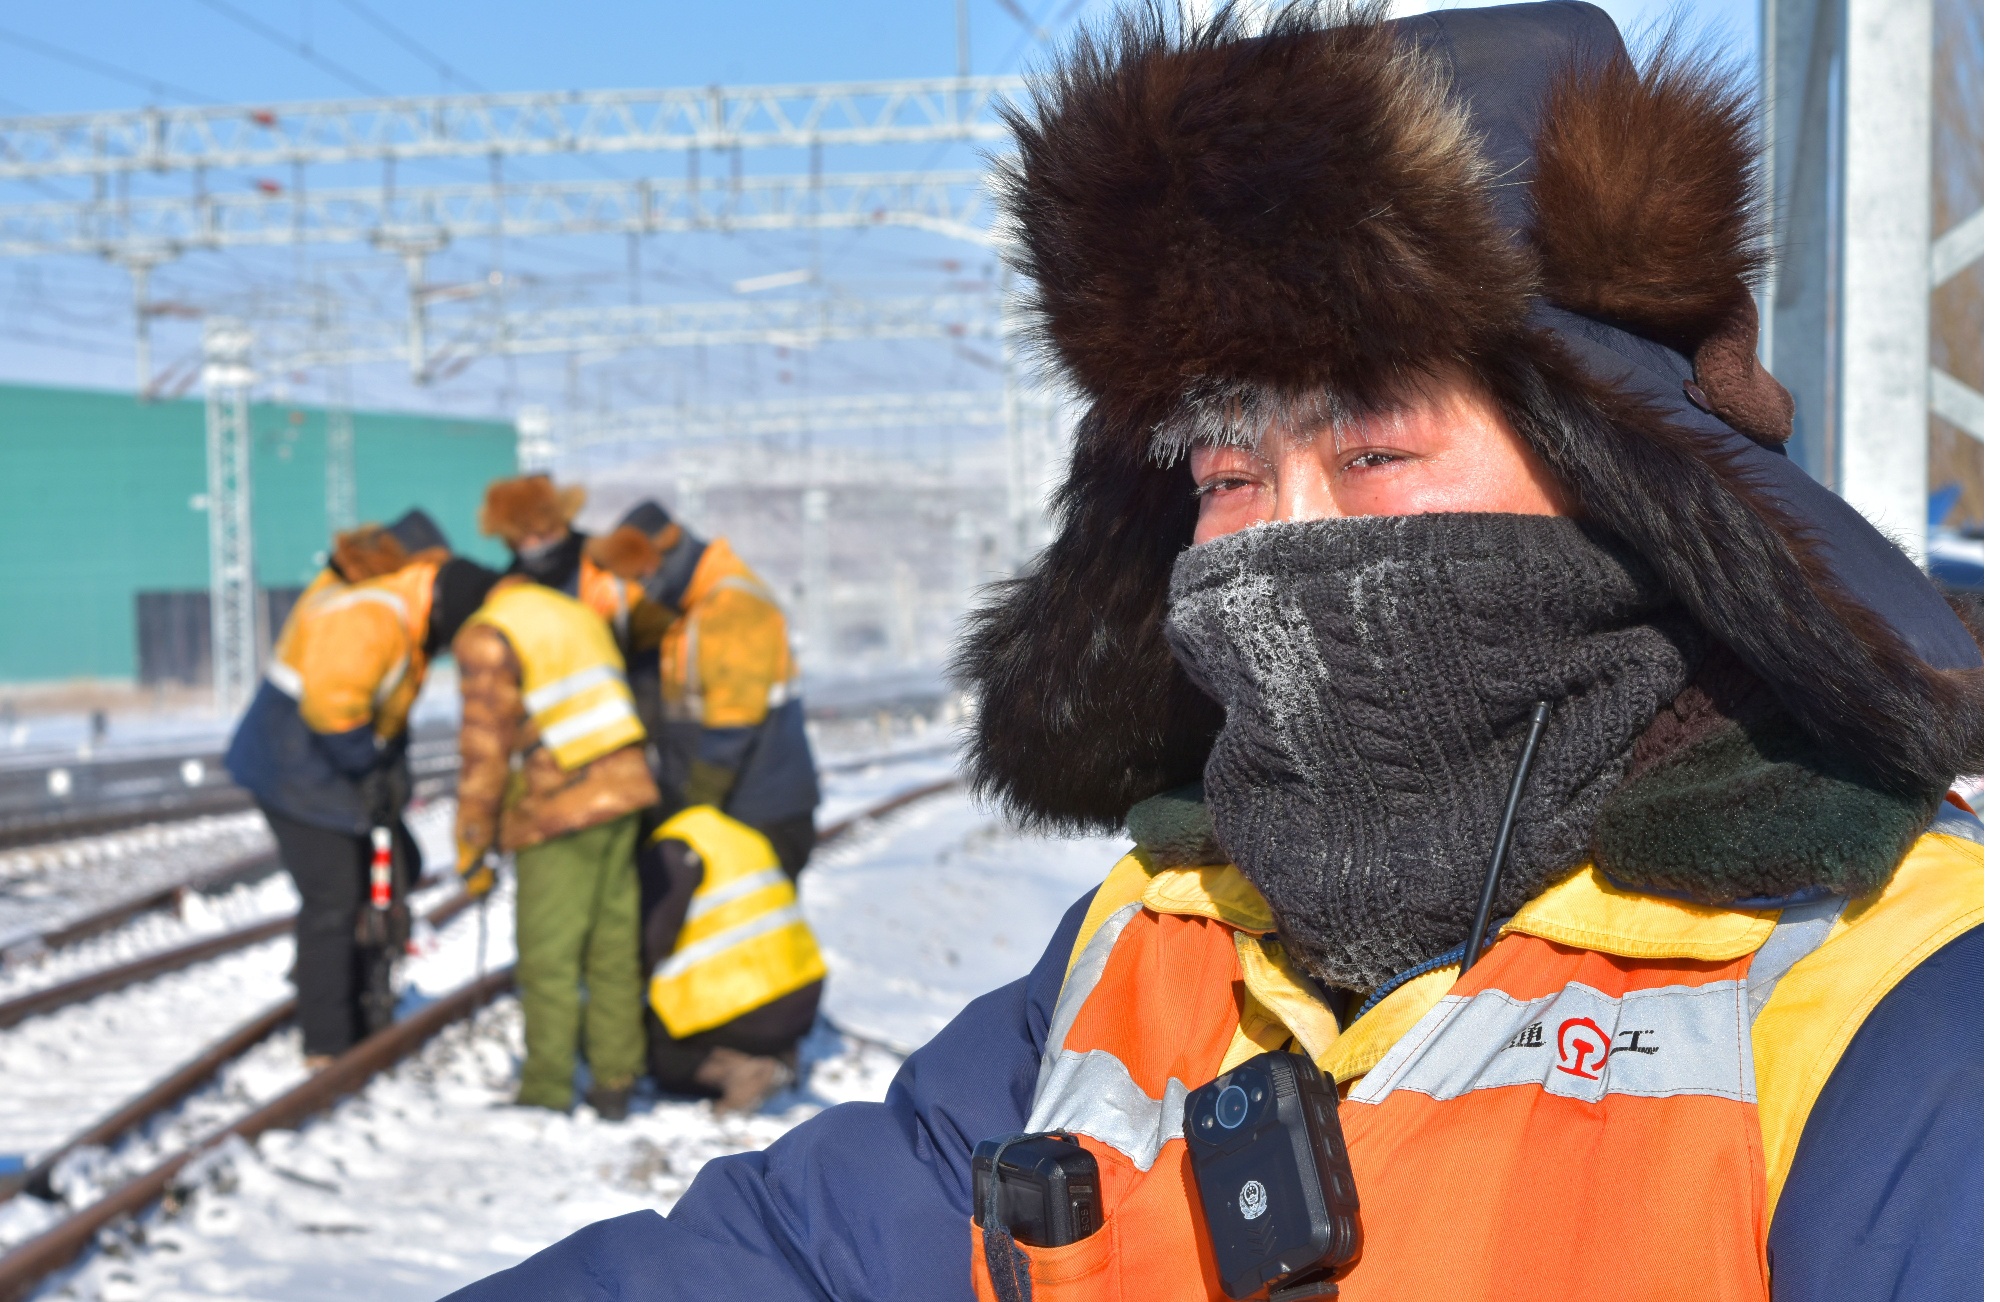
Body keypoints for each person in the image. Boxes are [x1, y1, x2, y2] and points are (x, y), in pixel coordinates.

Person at [448, 6, 1981, 1301]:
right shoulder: (1154, 948)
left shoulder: (1890, 1006)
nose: (1275, 541)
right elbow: (803, 1252)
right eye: (1228, 478)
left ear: (1620, 479)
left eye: (1375, 451)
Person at [225, 510, 501, 1065]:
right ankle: (327, 1041)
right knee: (333, 896)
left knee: (395, 862)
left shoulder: (404, 613)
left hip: (318, 763)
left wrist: (388, 763)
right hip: (294, 764)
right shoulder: (378, 614)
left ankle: (358, 996)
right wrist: (370, 766)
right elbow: (333, 707)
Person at [615, 498, 825, 1110]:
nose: (644, 588)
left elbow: (730, 722)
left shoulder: (731, 601)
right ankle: (764, 1054)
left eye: (646, 574)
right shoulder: (698, 605)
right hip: (747, 806)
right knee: (739, 935)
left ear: (670, 549)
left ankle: (754, 1058)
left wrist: (692, 809)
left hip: (759, 805)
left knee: (749, 938)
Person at [452, 575, 660, 1119]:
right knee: (612, 946)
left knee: (549, 953)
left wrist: (473, 842)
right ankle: (615, 1079)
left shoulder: (490, 635)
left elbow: (484, 748)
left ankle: (547, 1090)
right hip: (626, 789)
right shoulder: (573, 615)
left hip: (561, 802)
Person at [477, 473, 672, 662]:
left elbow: (658, 630)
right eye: (523, 538)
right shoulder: (508, 592)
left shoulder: (604, 565)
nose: (535, 544)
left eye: (543, 534)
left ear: (559, 522)